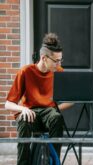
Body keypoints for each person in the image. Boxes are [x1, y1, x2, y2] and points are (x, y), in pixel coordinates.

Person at [5, 33, 73, 165]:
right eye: (56, 60)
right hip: (31, 114)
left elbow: (71, 97)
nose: (59, 64)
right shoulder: (26, 71)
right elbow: (8, 104)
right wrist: (22, 109)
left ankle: (54, 162)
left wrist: (82, 95)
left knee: (56, 117)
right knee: (24, 120)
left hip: (49, 113)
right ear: (44, 58)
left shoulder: (58, 72)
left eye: (60, 60)